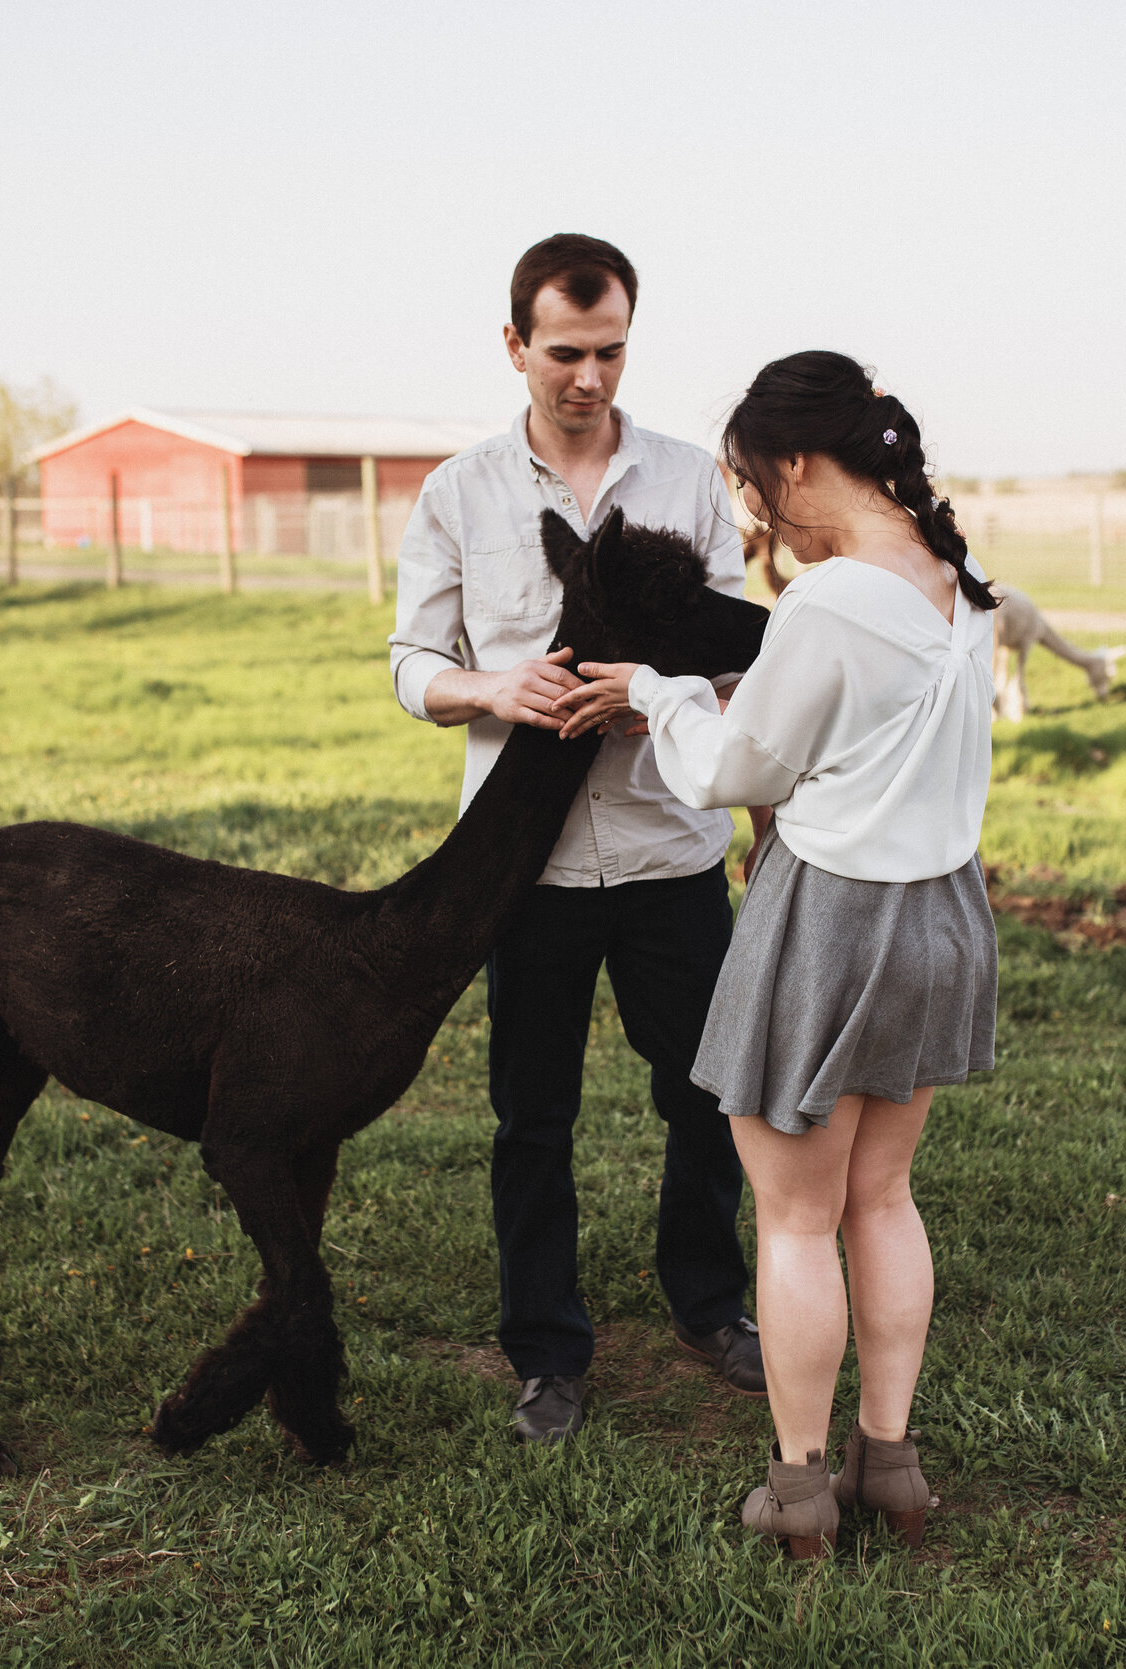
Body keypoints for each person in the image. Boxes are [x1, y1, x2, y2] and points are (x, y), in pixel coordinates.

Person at [557, 351, 1001, 1555]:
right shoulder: (960, 585)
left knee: (797, 1220)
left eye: (759, 490)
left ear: (801, 461)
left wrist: (658, 691)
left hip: (832, 919)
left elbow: (727, 771)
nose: (762, 520)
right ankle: (892, 1467)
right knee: (885, 1196)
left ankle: (800, 1491)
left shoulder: (830, 600)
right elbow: (871, 729)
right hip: (942, 916)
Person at [388, 234, 772, 1443]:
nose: (589, 377)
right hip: (531, 873)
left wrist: (652, 694)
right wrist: (494, 690)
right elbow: (412, 668)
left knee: (704, 1094)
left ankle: (709, 1304)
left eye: (609, 352)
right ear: (516, 346)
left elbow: (735, 654)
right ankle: (547, 1353)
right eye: (564, 352)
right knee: (531, 1115)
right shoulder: (458, 493)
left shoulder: (687, 481)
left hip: (669, 848)